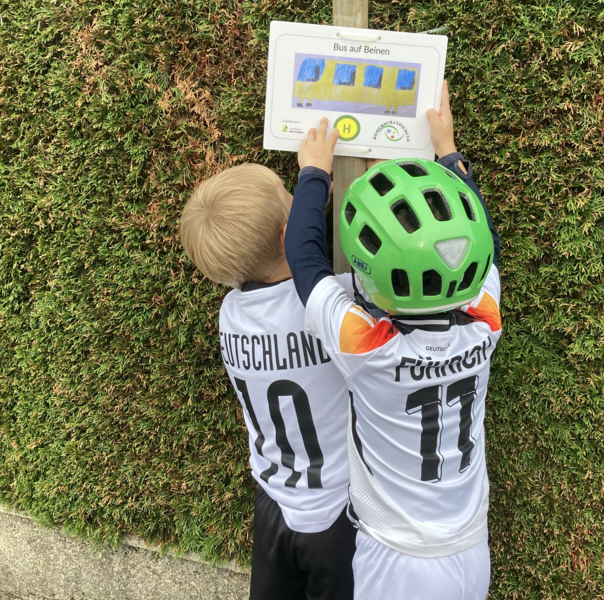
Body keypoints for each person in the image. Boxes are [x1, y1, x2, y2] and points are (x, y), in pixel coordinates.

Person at [284, 81, 502, 600]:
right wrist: (447, 152)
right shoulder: (484, 322)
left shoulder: (368, 347)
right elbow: (485, 242)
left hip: (399, 560)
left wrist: (314, 170)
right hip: (471, 545)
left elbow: (304, 259)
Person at [179, 163, 357, 600]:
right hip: (340, 511)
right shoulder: (337, 300)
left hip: (274, 502)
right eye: (288, 194)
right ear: (287, 236)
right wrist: (314, 178)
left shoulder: (230, 317)